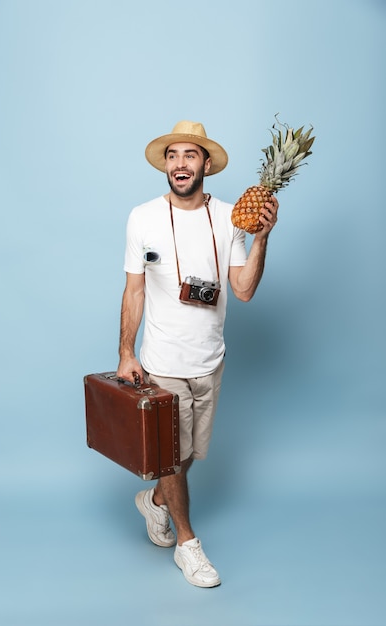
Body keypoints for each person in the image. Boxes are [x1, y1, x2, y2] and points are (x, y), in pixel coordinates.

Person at [116, 120, 278, 588]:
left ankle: (155, 502)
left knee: (189, 454)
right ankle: (189, 545)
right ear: (165, 165)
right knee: (171, 457)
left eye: (190, 155)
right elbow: (133, 290)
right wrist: (127, 352)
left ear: (206, 164)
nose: (180, 164)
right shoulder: (142, 217)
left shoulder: (229, 218)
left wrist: (263, 237)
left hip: (210, 360)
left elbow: (243, 291)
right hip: (162, 362)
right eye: (173, 156)